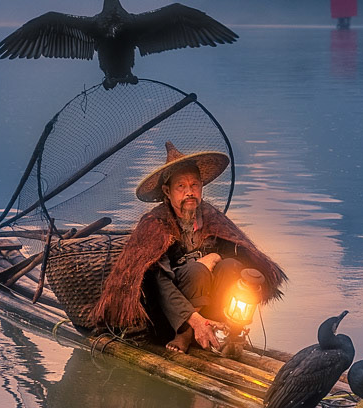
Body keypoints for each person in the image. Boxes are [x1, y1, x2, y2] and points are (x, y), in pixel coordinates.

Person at [92, 141, 286, 352]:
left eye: (194, 185)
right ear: (167, 191)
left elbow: (236, 252)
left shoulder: (210, 216)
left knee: (231, 266)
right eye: (181, 186)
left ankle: (228, 330)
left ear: (201, 187)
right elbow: (159, 282)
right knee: (197, 270)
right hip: (167, 317)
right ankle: (185, 335)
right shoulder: (155, 223)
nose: (189, 192)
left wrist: (214, 258)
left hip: (209, 311)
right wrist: (193, 320)